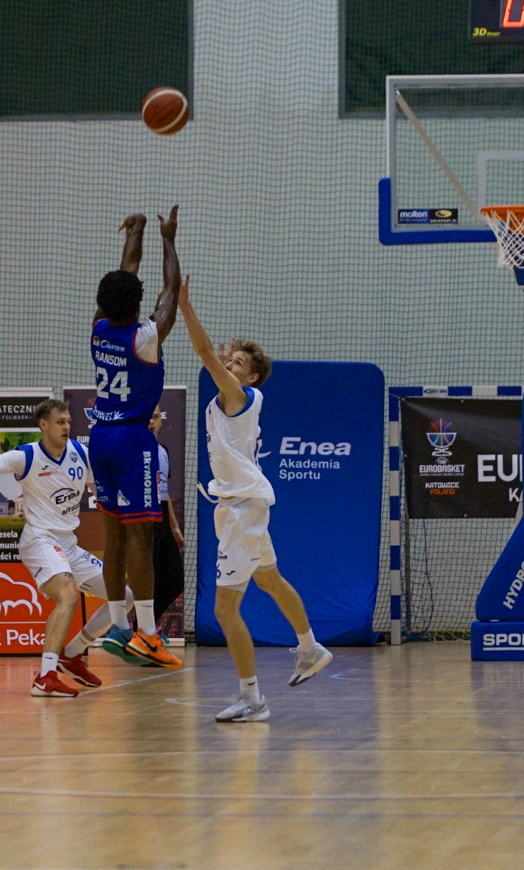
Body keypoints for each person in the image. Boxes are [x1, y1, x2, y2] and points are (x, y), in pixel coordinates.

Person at [178, 281, 332, 723]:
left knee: (224, 609)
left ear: (251, 378)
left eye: (239, 363)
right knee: (271, 581)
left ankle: (252, 699)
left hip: (242, 510)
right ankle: (310, 648)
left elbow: (203, 351)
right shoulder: (230, 398)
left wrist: (186, 307)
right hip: (243, 506)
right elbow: (215, 359)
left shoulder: (238, 395)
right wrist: (229, 359)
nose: (229, 363)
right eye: (231, 359)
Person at [0, 399, 125, 696]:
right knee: (67, 595)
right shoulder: (26, 456)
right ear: (43, 425)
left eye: (69, 421)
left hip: (69, 544)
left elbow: (98, 489)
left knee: (124, 596)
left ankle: (71, 654)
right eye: (60, 422)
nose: (67, 427)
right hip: (40, 539)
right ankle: (45, 677)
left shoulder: (80, 453)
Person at [87, 208, 183, 669]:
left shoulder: (98, 327)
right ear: (136, 303)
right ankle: (147, 634)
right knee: (141, 537)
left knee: (113, 538)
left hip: (100, 437)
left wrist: (138, 228)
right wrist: (168, 239)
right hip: (130, 439)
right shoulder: (146, 337)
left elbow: (125, 272)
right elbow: (170, 291)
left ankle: (117, 625)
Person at [149, 407, 186, 640]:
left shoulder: (163, 450)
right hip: (143, 515)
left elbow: (165, 491)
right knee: (150, 578)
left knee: (175, 580)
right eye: (147, 416)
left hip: (162, 516)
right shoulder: (132, 449)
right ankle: (146, 632)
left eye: (155, 417)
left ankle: (145, 627)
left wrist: (174, 527)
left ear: (161, 421)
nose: (151, 421)